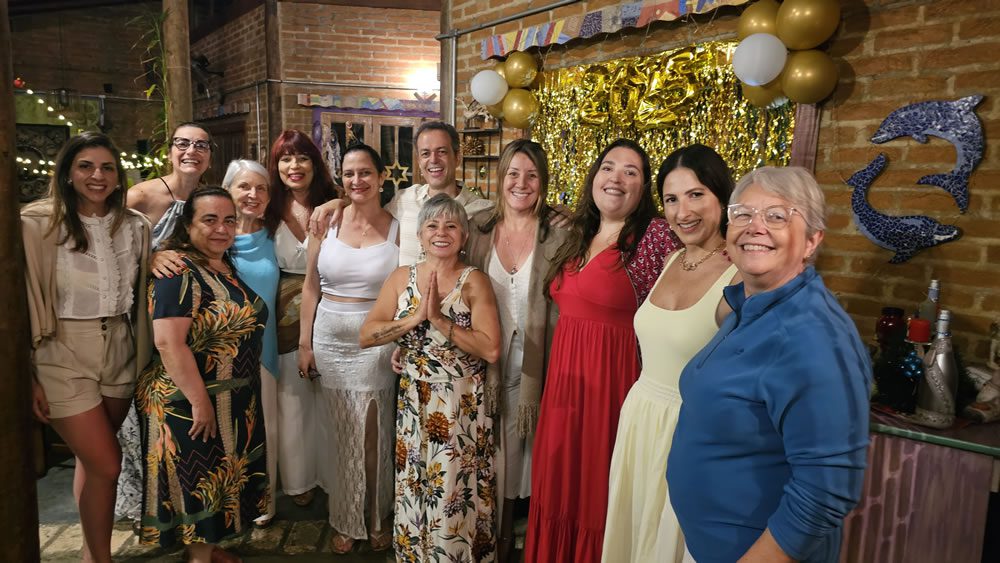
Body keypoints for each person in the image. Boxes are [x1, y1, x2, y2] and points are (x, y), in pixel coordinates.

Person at [667, 167, 871, 563]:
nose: (754, 227)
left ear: (812, 240)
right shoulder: (748, 307)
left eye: (777, 216)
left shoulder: (815, 336)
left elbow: (825, 492)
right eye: (742, 214)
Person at [524, 139, 681, 563]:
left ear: (643, 188)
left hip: (612, 387)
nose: (616, 178)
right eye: (608, 167)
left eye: (631, 172)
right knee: (557, 486)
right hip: (563, 388)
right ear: (594, 177)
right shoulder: (576, 233)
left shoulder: (654, 236)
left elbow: (699, 273)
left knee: (598, 494)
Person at [602, 144, 739, 563]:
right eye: (672, 199)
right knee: (634, 534)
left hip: (690, 429)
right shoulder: (672, 258)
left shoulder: (739, 276)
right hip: (640, 419)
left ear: (722, 196)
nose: (683, 211)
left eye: (696, 195)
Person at [22, 131, 151, 563]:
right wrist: (28, 374)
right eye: (86, 166)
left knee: (93, 461)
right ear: (67, 172)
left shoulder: (135, 225)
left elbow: (143, 283)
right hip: (60, 350)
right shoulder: (35, 224)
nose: (98, 175)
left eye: (107, 167)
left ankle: (89, 554)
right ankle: (101, 558)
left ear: (118, 176)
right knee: (108, 463)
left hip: (120, 346)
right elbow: (18, 302)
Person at [360, 193, 501, 562]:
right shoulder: (401, 277)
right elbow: (367, 334)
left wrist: (439, 319)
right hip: (413, 401)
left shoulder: (474, 281)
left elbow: (490, 349)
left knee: (452, 489)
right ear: (420, 235)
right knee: (414, 483)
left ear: (464, 237)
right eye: (433, 225)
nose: (442, 232)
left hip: (459, 404)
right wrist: (414, 319)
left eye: (451, 226)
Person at [136, 187, 268, 563]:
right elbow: (168, 342)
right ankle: (198, 557)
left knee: (216, 481)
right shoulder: (177, 270)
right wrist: (199, 401)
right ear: (188, 224)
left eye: (229, 220)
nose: (221, 229)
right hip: (188, 401)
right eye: (209, 220)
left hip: (229, 395)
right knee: (198, 485)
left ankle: (206, 550)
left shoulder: (222, 265)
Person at [465, 139, 566, 562]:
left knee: (539, 451)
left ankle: (534, 532)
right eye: (513, 174)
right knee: (497, 448)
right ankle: (500, 532)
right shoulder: (478, 228)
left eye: (532, 175)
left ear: (543, 181)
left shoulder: (560, 231)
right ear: (500, 176)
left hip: (542, 361)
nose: (521, 183)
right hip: (488, 359)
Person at [298, 144, 397, 553]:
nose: (358, 180)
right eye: (350, 173)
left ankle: (375, 515)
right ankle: (344, 518)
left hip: (375, 341)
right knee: (342, 435)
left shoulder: (399, 227)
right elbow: (310, 287)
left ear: (382, 177)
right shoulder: (325, 223)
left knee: (372, 435)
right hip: (329, 340)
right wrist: (304, 344)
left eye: (366, 172)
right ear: (342, 179)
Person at [117, 121, 214, 524]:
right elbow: (107, 249)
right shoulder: (142, 195)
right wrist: (150, 258)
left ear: (210, 156)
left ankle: (185, 515)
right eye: (183, 144)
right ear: (170, 150)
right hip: (139, 323)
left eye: (201, 145)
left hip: (187, 324)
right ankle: (148, 510)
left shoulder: (207, 198)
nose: (192, 151)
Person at [266, 129, 339, 507]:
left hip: (331, 306)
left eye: (302, 157)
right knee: (291, 400)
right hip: (282, 313)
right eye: (285, 159)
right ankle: (298, 481)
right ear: (275, 166)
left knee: (328, 399)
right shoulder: (266, 206)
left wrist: (338, 201)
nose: (294, 166)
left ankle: (332, 475)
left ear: (315, 163)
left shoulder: (334, 205)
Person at [309, 120, 494, 265]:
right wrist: (340, 204)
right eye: (425, 153)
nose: (433, 160)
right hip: (402, 301)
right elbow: (368, 213)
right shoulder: (403, 199)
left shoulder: (482, 212)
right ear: (419, 161)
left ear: (457, 158)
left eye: (442, 152)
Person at [222, 159, 280, 527]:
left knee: (265, 427)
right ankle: (226, 506)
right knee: (224, 430)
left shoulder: (275, 237)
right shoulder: (213, 237)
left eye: (261, 188)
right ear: (227, 190)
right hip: (221, 353)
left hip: (264, 350)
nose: (252, 194)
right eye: (244, 186)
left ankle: (263, 503)